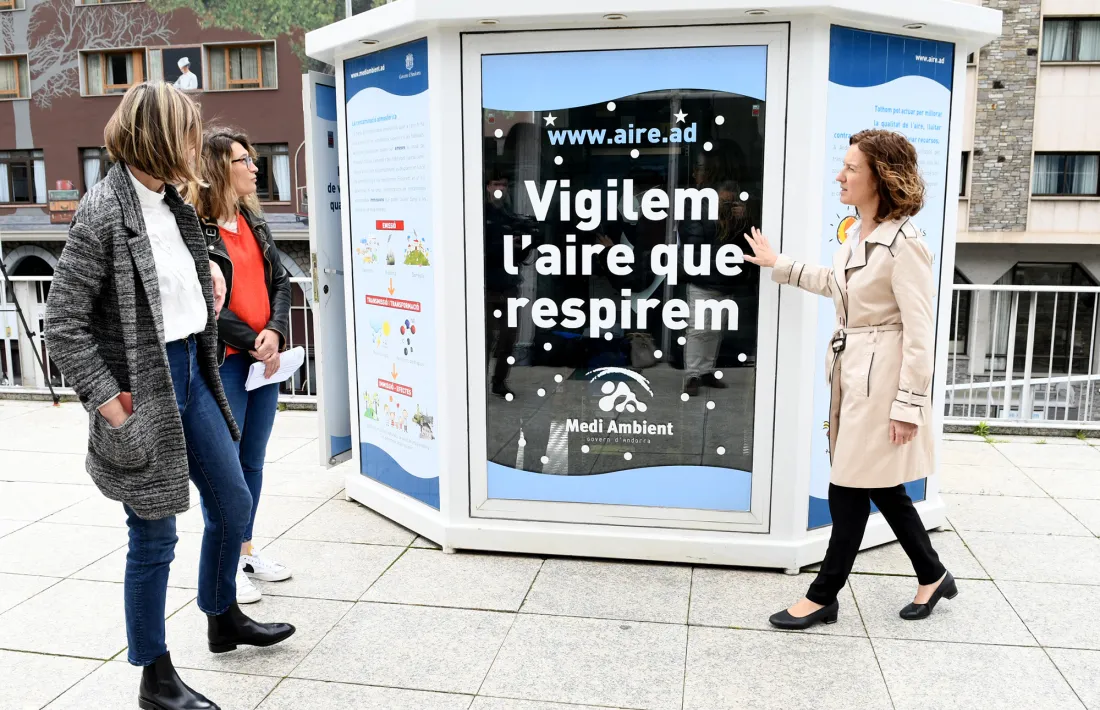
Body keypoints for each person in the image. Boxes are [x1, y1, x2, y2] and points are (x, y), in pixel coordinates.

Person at [44, 83, 294, 710]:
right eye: (186, 132)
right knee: (154, 536)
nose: (195, 144)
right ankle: (155, 678)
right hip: (142, 388)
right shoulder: (104, 210)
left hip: (193, 372)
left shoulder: (174, 204)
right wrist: (112, 406)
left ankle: (221, 617)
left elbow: (180, 288)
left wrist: (211, 275)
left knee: (233, 502)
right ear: (157, 138)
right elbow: (63, 324)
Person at [744, 129, 956, 630]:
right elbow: (838, 285)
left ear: (880, 177)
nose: (840, 176)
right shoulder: (859, 234)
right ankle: (933, 574)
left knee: (848, 485)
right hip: (855, 372)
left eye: (851, 168)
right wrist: (779, 264)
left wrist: (908, 406)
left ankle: (823, 595)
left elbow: (921, 334)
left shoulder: (905, 245)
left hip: (881, 381)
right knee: (878, 483)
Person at [189, 127, 293, 604]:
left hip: (263, 362)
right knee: (226, 470)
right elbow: (204, 301)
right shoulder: (196, 228)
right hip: (226, 363)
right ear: (218, 169)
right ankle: (226, 567)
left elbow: (281, 281)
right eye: (244, 160)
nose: (254, 167)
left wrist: (275, 331)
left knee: (252, 460)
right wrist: (253, 340)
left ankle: (245, 550)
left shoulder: (254, 219)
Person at [483, 172, 538, 397]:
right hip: (486, 287)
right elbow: (482, 249)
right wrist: (506, 243)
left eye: (504, 185)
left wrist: (524, 244)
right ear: (488, 187)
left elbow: (520, 255)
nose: (501, 188)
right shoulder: (480, 214)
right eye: (496, 183)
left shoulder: (509, 216)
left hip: (509, 285)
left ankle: (499, 381)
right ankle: (477, 383)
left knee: (508, 338)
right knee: (485, 339)